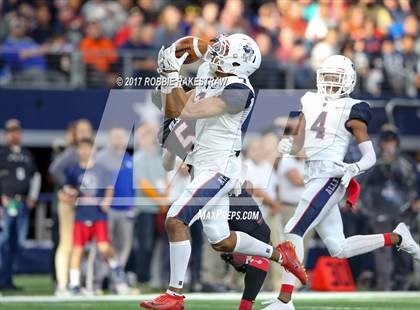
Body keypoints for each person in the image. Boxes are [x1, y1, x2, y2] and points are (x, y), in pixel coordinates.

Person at [140, 33, 306, 310]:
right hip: (203, 165)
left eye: (224, 49)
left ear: (239, 63)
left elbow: (189, 111)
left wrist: (171, 73)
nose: (216, 51)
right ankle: (281, 254)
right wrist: (167, 75)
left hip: (219, 167)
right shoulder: (208, 70)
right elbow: (176, 109)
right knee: (220, 241)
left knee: (175, 220)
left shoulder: (240, 90)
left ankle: (174, 295)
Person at [263, 55, 420, 310]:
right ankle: (398, 238)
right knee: (339, 248)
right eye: (327, 78)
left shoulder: (354, 108)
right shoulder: (309, 100)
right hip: (313, 174)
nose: (331, 84)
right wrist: (288, 144)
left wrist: (352, 168)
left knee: (293, 229)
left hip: (332, 176)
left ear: (348, 81)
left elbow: (370, 155)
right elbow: (301, 142)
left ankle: (285, 301)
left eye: (337, 80)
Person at [64, 138, 126, 294]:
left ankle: (116, 268)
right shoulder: (73, 170)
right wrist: (68, 195)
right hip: (81, 215)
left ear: (93, 150)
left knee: (104, 246)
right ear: (77, 150)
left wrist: (107, 200)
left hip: (98, 215)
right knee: (77, 249)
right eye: (82, 148)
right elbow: (67, 189)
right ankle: (74, 284)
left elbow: (109, 188)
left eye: (88, 148)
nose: (85, 151)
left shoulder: (101, 169)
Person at [361, 125, 418, 290]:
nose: (389, 144)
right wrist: (363, 205)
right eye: (386, 141)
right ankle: (384, 284)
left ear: (397, 142)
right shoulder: (373, 162)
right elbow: (362, 185)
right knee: (382, 249)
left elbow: (416, 182)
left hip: (403, 211)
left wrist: (417, 200)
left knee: (404, 247)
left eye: (391, 140)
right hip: (379, 212)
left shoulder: (406, 162)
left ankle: (404, 282)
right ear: (381, 143)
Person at [50, 119, 93, 295]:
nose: (83, 134)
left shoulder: (92, 153)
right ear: (74, 134)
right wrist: (67, 187)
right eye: (80, 131)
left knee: (82, 245)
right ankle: (61, 284)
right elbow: (55, 170)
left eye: (86, 130)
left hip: (85, 205)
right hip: (69, 203)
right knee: (66, 243)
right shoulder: (71, 152)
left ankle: (77, 284)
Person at [0, 119, 41, 290]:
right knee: (4, 241)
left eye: (16, 131)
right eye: (10, 131)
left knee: (18, 242)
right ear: (5, 134)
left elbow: (36, 176)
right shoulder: (2, 153)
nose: (13, 134)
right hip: (6, 203)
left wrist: (32, 197)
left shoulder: (26, 153)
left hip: (22, 203)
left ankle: (7, 279)